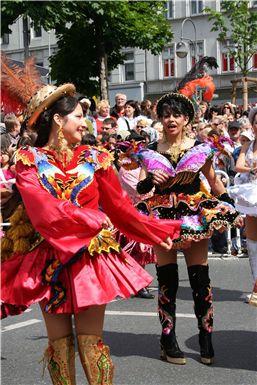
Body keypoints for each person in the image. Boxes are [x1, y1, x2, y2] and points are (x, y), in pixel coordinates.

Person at [1, 82, 182, 385]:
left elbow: (121, 208)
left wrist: (153, 231)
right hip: (49, 258)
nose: (83, 122)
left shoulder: (94, 157)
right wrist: (92, 217)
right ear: (58, 120)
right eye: (77, 115)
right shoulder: (28, 160)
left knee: (90, 341)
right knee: (59, 346)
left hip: (89, 258)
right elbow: (43, 210)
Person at [135, 92, 242, 366]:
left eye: (176, 115)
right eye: (166, 115)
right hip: (162, 217)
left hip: (193, 215)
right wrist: (151, 183)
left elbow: (214, 182)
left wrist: (230, 209)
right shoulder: (149, 150)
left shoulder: (201, 148)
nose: (171, 119)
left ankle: (205, 338)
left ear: (186, 119)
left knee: (199, 280)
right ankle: (167, 340)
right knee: (167, 281)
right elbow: (141, 188)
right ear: (160, 119)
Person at [229, 106, 257, 306]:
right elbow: (237, 166)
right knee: (253, 244)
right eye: (256, 122)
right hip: (253, 195)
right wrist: (252, 168)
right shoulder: (248, 145)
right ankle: (256, 286)